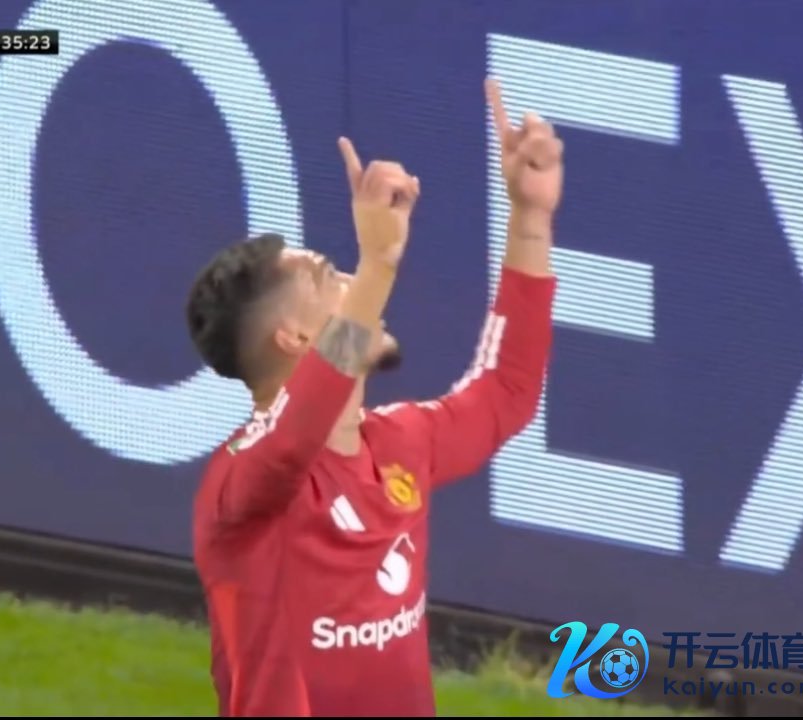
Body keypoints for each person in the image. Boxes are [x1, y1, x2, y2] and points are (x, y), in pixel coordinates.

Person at [185, 79, 563, 717]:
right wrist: (379, 262)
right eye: (330, 278)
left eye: (353, 272)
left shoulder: (398, 444)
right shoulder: (243, 484)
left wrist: (529, 218)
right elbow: (299, 426)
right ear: (294, 337)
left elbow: (507, 389)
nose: (355, 282)